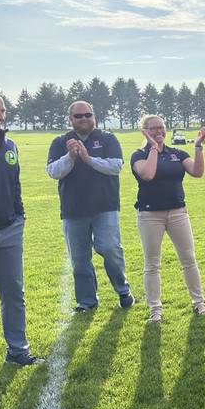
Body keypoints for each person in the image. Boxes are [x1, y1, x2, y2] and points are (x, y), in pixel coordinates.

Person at [46, 101, 134, 312]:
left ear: (94, 116)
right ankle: (87, 301)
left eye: (88, 114)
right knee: (79, 259)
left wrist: (88, 159)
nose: (84, 118)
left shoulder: (107, 138)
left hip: (105, 206)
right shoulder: (60, 142)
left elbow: (116, 166)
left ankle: (123, 290)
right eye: (78, 116)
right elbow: (53, 172)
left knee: (110, 249)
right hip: (73, 209)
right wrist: (70, 156)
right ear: (70, 119)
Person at [0, 93, 42, 365]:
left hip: (9, 231)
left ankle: (17, 352)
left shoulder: (10, 146)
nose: (0, 116)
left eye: (3, 110)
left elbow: (15, 184)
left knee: (14, 294)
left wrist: (19, 216)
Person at [130, 115, 205, 322]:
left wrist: (199, 147)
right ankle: (155, 309)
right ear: (145, 131)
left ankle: (198, 302)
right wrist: (153, 148)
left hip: (178, 213)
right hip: (150, 216)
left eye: (161, 128)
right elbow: (147, 174)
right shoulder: (139, 155)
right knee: (152, 263)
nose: (159, 132)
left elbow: (197, 172)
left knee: (189, 259)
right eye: (153, 129)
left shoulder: (177, 153)